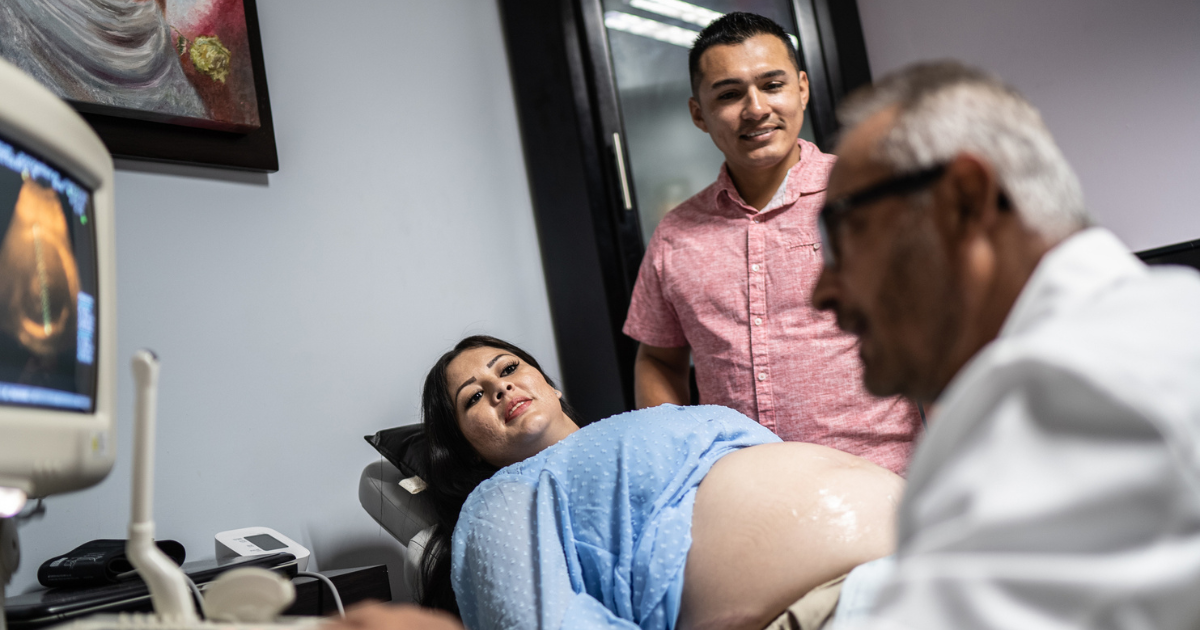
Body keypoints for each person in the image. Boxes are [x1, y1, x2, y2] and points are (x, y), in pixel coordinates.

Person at [810, 60, 1200, 628]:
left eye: (844, 233)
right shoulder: (1168, 312)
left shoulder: (1069, 392)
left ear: (966, 200)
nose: (823, 291)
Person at [408, 335, 902, 630]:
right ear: (466, 449)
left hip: (930, 561)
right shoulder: (501, 497)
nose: (499, 386)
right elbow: (540, 621)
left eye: (509, 368)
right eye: (473, 397)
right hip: (827, 606)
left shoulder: (665, 418)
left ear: (550, 383)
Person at [623, 12, 920, 476]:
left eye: (772, 85)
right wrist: (674, 465)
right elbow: (659, 358)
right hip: (743, 497)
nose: (756, 108)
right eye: (729, 93)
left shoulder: (871, 196)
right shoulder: (675, 233)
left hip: (881, 483)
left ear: (802, 88)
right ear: (698, 113)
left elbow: (942, 337)